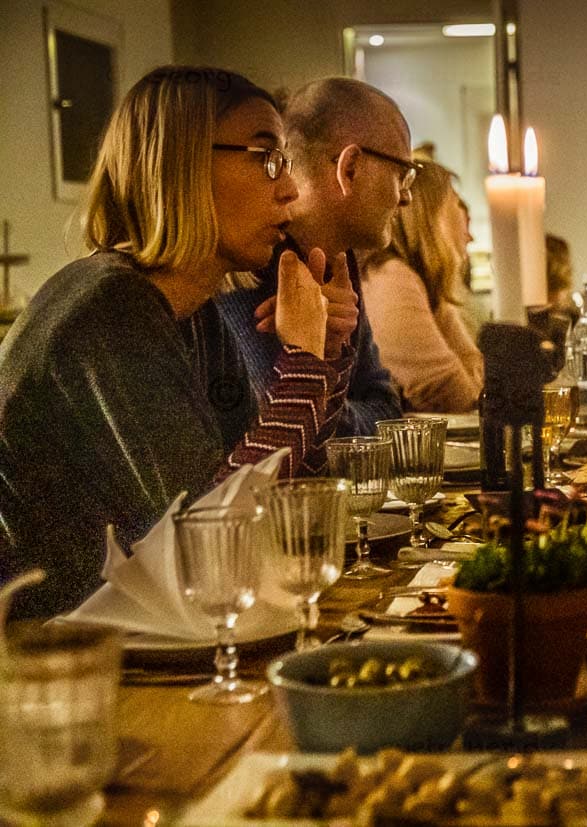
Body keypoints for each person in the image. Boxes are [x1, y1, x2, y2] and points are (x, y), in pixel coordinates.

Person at [0, 66, 355, 619]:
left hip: (138, 633)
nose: (289, 188)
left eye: (284, 161)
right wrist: (304, 365)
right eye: (266, 159)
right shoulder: (109, 308)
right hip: (51, 655)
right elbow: (208, 541)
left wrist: (325, 357)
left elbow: (264, 491)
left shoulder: (194, 309)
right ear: (178, 167)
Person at [215, 77, 403, 436]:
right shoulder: (247, 263)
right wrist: (309, 363)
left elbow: (387, 412)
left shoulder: (336, 263)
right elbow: (263, 440)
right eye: (402, 174)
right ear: (350, 168)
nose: (405, 197)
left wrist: (325, 360)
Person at [362, 161, 483, 412]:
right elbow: (446, 389)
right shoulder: (391, 277)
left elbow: (474, 369)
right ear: (433, 216)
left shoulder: (421, 281)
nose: (469, 235)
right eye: (456, 203)